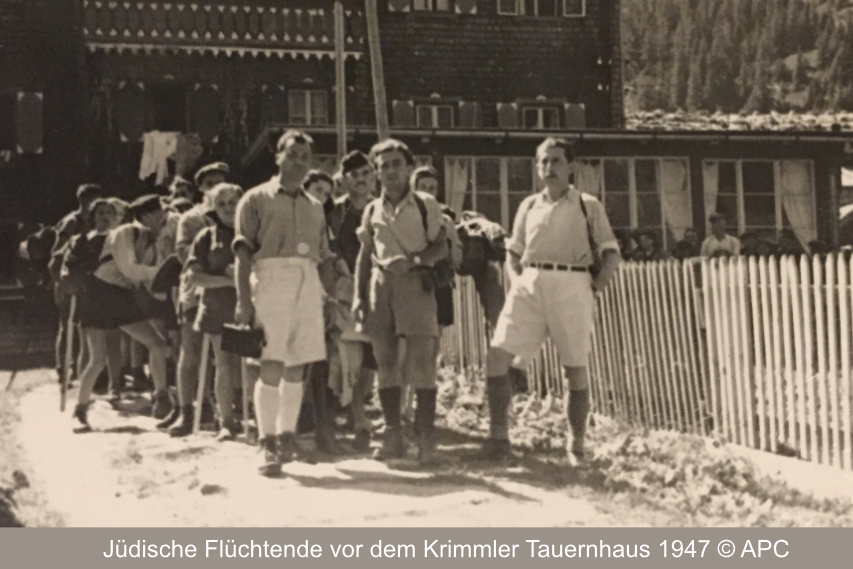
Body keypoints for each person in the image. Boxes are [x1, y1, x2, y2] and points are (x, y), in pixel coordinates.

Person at [476, 137, 621, 464]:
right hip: (530, 283)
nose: (549, 168)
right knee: (498, 357)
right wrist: (518, 282)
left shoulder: (587, 205)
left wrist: (594, 287)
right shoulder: (528, 205)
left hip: (572, 283)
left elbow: (610, 254)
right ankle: (498, 437)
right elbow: (513, 253)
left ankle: (576, 444)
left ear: (570, 166)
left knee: (574, 369)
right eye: (543, 161)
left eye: (556, 161)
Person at [233, 129, 337, 476]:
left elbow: (323, 258)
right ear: (277, 156)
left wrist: (328, 299)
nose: (298, 163)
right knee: (271, 362)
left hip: (307, 283)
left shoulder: (316, 208)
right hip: (270, 280)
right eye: (292, 155)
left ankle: (288, 436)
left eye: (305, 158)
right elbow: (243, 255)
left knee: (298, 365)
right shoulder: (256, 198)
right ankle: (268, 442)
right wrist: (244, 300)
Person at [352, 139, 450, 464]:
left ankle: (426, 440)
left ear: (408, 168)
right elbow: (364, 257)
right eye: (384, 166)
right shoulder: (371, 209)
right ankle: (393, 435)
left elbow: (441, 247)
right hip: (381, 288)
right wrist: (358, 297)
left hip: (416, 286)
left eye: (397, 164)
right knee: (386, 363)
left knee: (423, 363)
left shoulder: (425, 205)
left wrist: (417, 262)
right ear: (376, 172)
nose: (391, 171)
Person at [71, 195, 173, 429]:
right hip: (100, 294)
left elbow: (146, 281)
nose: (165, 218)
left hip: (122, 296)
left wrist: (162, 286)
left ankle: (162, 398)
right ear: (147, 216)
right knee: (97, 358)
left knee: (157, 344)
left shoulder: (154, 238)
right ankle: (80, 411)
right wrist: (161, 272)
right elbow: (130, 270)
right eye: (161, 214)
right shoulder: (125, 233)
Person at [164, 161, 230, 436]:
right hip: (195, 293)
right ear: (201, 188)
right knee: (190, 353)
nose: (214, 186)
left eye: (219, 180)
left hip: (228, 294)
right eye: (208, 182)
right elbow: (181, 253)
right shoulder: (190, 219)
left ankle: (224, 412)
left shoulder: (236, 213)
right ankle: (185, 410)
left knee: (225, 356)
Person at [327, 151, 380, 452]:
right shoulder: (334, 212)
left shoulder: (382, 209)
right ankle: (356, 416)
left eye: (366, 174)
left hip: (378, 288)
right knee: (346, 353)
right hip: (344, 289)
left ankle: (357, 408)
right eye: (354, 175)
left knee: (372, 355)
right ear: (343, 180)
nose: (361, 180)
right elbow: (327, 246)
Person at [185, 183, 244, 441]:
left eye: (233, 202)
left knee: (251, 363)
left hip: (250, 306)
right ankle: (227, 421)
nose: (228, 208)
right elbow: (195, 277)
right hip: (219, 307)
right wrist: (229, 281)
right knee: (224, 363)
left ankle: (255, 416)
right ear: (213, 208)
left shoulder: (255, 232)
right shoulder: (206, 237)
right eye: (221, 204)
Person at [51, 184, 104, 384]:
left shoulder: (93, 222)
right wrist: (59, 283)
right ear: (84, 201)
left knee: (83, 326)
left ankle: (79, 368)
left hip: (85, 282)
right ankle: (62, 368)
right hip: (67, 281)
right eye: (94, 201)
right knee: (67, 326)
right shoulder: (72, 222)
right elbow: (57, 254)